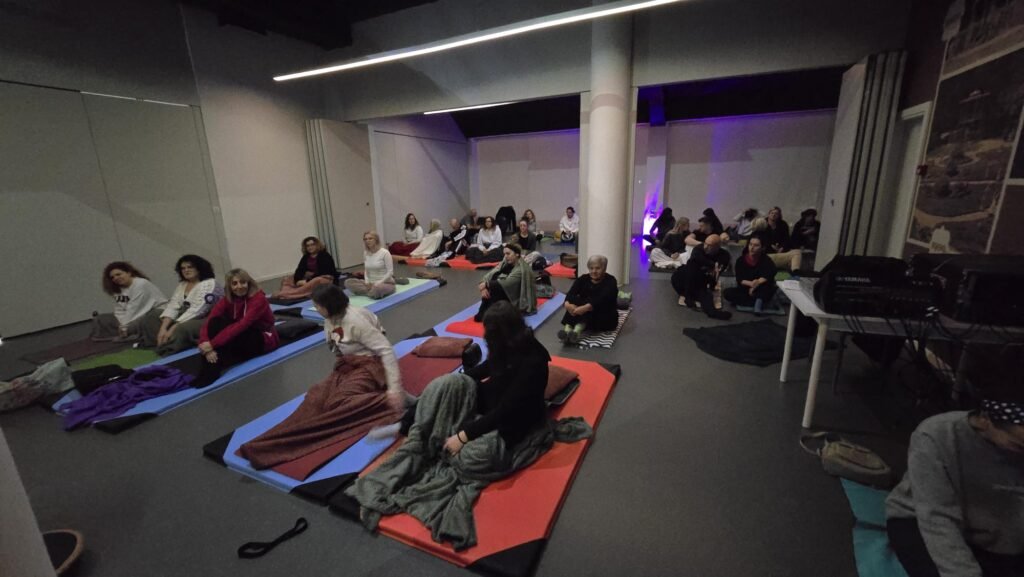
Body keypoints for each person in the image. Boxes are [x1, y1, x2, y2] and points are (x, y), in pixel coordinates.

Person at [345, 300, 590, 551]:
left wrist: (462, 437)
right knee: (445, 384)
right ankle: (405, 426)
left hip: (514, 424)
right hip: (490, 402)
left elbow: (507, 410)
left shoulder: (534, 361)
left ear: (503, 333)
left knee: (468, 458)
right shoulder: (504, 346)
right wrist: (456, 383)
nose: (486, 337)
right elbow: (486, 368)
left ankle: (433, 437)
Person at [234, 284, 407, 470]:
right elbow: (337, 348)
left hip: (370, 364)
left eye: (318, 306)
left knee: (339, 401)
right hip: (348, 365)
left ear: (329, 304)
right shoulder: (329, 319)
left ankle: (388, 401)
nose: (315, 309)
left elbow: (386, 350)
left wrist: (394, 390)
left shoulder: (356, 321)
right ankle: (268, 443)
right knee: (316, 396)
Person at [886, 350, 1024, 577]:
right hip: (925, 520)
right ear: (985, 419)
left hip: (1000, 532)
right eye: (1018, 445)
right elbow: (938, 517)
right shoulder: (936, 436)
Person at [194, 269, 279, 388]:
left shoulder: (258, 299)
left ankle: (212, 368)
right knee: (215, 322)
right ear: (229, 286)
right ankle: (211, 362)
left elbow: (242, 325)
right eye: (234, 283)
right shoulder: (227, 300)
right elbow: (208, 322)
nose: (239, 286)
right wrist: (205, 344)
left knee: (229, 334)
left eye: (242, 282)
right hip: (242, 335)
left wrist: (212, 344)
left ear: (248, 283)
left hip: (263, 338)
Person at [139, 255, 223, 355]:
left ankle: (169, 349)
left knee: (182, 328)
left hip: (207, 318)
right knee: (153, 316)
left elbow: (199, 310)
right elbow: (173, 306)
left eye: (190, 267)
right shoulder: (183, 285)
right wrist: (163, 328)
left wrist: (174, 327)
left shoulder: (210, 284)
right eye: (183, 268)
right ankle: (158, 343)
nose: (186, 270)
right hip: (184, 316)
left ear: (199, 268)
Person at [91, 262, 168, 342]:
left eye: (118, 274)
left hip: (151, 313)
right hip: (131, 317)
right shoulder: (118, 289)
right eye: (112, 277)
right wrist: (121, 324)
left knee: (142, 322)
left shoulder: (141, 284)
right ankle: (124, 333)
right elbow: (119, 310)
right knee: (101, 319)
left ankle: (126, 333)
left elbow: (135, 308)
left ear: (129, 273)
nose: (116, 278)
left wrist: (124, 326)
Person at [558, 255, 619, 344]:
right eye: (591, 268)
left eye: (598, 268)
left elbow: (601, 299)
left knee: (589, 303)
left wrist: (586, 307)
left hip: (604, 317)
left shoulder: (611, 281)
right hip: (585, 311)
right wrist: (567, 305)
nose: (594, 271)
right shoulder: (583, 278)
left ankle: (576, 332)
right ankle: (567, 331)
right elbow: (570, 293)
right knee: (575, 301)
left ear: (604, 268)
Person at [671, 234, 731, 320]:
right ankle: (689, 296)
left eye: (710, 246)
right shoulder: (698, 249)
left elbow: (717, 273)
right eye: (705, 243)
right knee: (689, 267)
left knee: (705, 295)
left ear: (717, 247)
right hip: (686, 280)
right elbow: (694, 264)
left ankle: (712, 312)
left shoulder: (724, 255)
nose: (706, 247)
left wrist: (712, 286)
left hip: (702, 280)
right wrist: (713, 265)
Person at [474, 244, 536, 321]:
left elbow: (507, 283)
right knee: (493, 285)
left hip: (514, 298)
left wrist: (486, 284)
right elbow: (490, 274)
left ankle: (492, 312)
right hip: (502, 294)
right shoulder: (505, 263)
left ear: (517, 254)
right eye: (504, 254)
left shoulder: (521, 269)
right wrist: (483, 288)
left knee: (495, 287)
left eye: (508, 254)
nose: (505, 256)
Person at [723, 236, 777, 313]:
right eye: (750, 244)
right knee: (727, 293)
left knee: (768, 287)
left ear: (762, 248)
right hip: (746, 288)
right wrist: (751, 284)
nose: (752, 248)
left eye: (756, 245)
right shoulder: (741, 260)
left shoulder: (766, 260)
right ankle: (758, 301)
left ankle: (756, 302)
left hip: (760, 287)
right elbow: (740, 279)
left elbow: (770, 274)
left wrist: (757, 283)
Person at [345, 231, 396, 300]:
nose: (367, 241)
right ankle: (371, 293)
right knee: (348, 282)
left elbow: (390, 272)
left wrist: (378, 283)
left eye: (370, 238)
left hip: (385, 283)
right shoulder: (366, 253)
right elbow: (366, 270)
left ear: (376, 240)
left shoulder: (385, 253)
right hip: (370, 283)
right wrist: (367, 282)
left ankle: (370, 292)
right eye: (365, 239)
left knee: (377, 288)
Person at [762, 206, 802, 271]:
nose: (773, 215)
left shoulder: (783, 224)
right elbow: (759, 239)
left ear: (779, 215)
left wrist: (782, 248)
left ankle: (795, 273)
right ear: (768, 214)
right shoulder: (762, 224)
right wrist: (770, 246)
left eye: (776, 213)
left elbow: (787, 239)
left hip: (780, 253)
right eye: (772, 213)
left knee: (797, 252)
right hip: (766, 255)